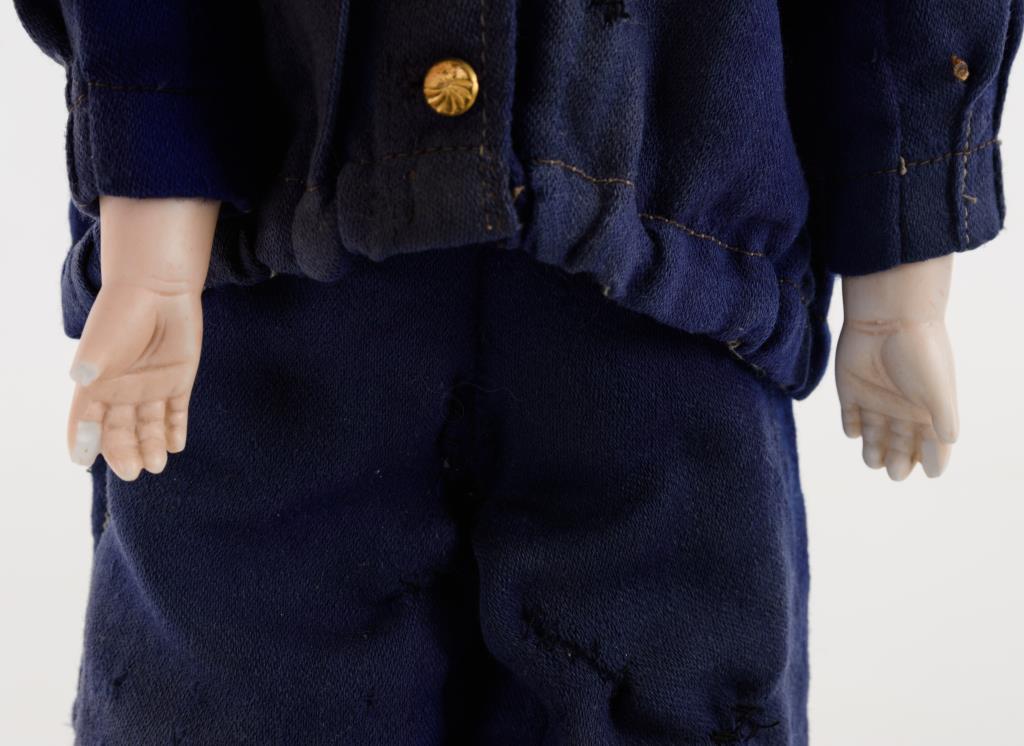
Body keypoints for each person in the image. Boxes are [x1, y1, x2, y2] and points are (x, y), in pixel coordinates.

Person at [14, 1, 1022, 743]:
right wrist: (156, 201)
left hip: (662, 317)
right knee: (234, 695)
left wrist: (904, 247)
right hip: (272, 299)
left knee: (671, 696)